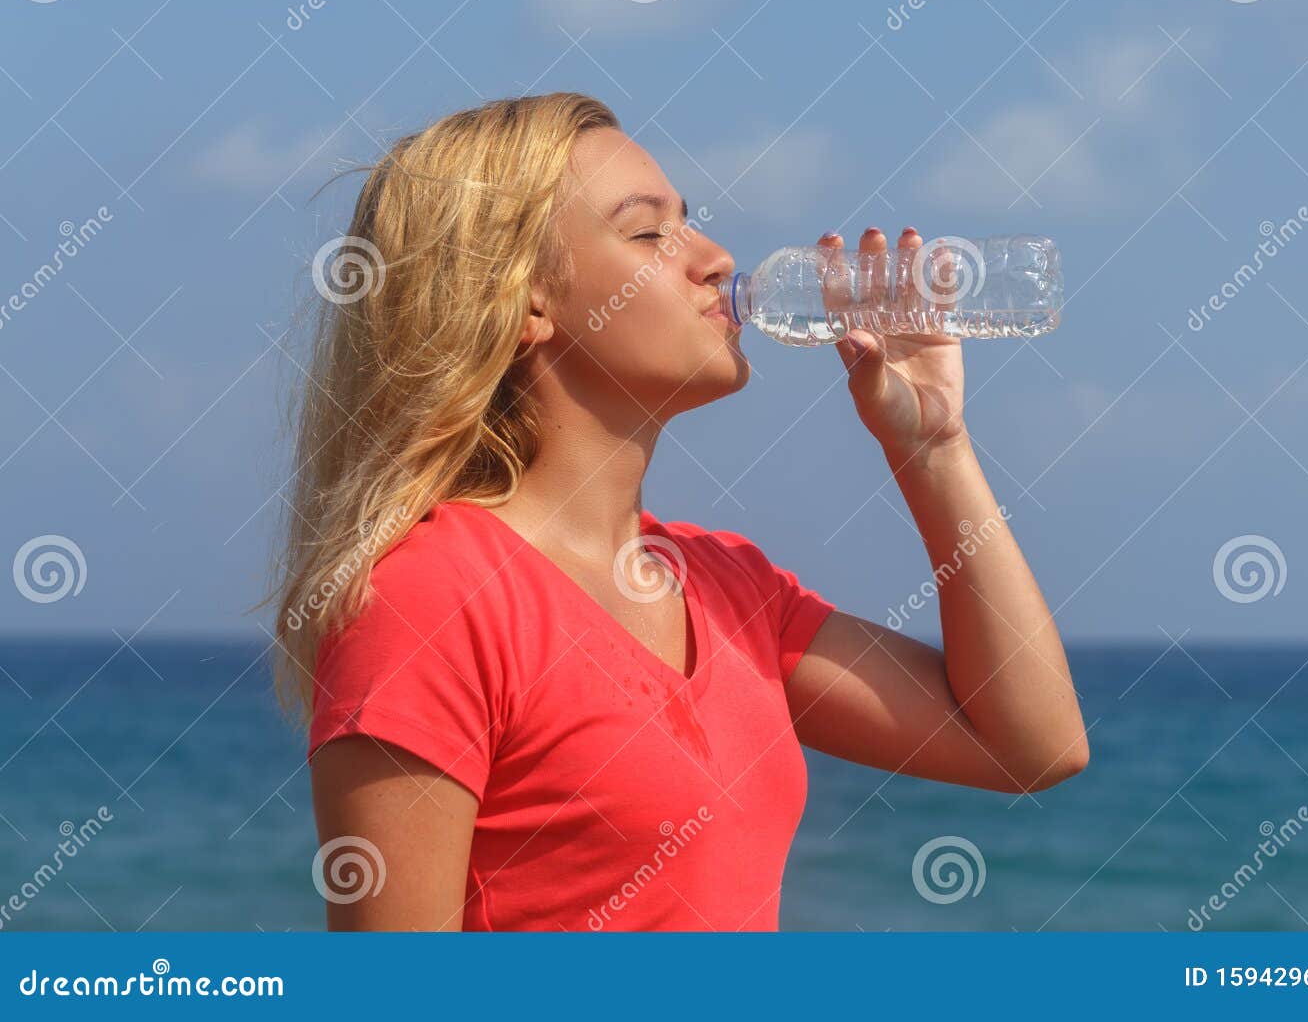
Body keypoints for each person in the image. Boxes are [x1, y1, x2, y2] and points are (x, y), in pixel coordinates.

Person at [271, 92, 1088, 931]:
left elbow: (1031, 743)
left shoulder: (730, 589)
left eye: (690, 221)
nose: (716, 259)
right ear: (523, 302)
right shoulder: (433, 599)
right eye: (647, 231)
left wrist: (934, 447)